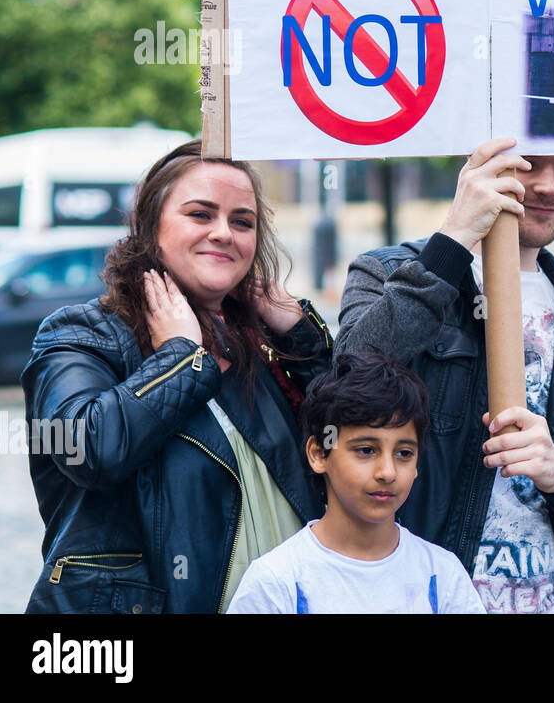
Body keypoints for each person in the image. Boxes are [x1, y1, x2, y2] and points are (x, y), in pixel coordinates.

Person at [22, 140, 333, 613]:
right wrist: (181, 355)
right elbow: (86, 448)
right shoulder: (84, 333)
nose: (224, 233)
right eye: (201, 214)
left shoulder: (254, 345)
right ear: (150, 228)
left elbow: (351, 436)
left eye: (242, 221)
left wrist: (300, 336)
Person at [334, 137, 554, 613]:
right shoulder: (387, 271)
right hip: (420, 598)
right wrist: (454, 238)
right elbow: (350, 374)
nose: (548, 186)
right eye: (528, 164)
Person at [228, 351, 483, 614]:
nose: (387, 472)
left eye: (404, 453)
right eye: (366, 450)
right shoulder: (276, 583)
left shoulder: (442, 577)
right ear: (319, 454)